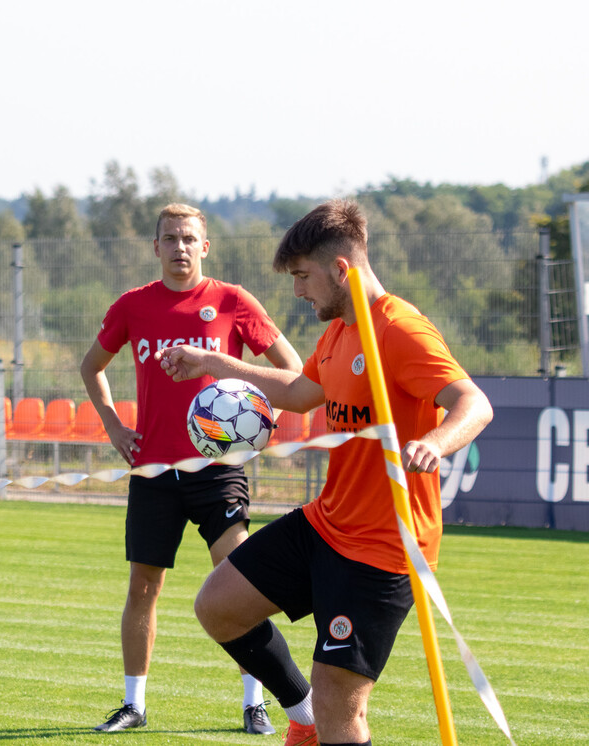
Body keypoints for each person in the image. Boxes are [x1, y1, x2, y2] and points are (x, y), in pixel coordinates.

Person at [155, 199, 494, 746]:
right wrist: (212, 361)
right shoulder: (337, 334)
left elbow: (474, 404)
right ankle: (302, 716)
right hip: (326, 525)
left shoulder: (401, 330)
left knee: (341, 702)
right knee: (217, 607)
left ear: (341, 270)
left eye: (302, 276)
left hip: (383, 548)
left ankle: (321, 722)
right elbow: (296, 393)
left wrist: (434, 441)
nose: (297, 291)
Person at [80, 203, 303, 735]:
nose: (180, 247)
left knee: (243, 582)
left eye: (189, 239)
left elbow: (292, 370)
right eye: (170, 239)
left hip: (218, 466)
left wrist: (248, 403)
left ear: (205, 247)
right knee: (143, 587)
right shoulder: (133, 306)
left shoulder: (231, 302)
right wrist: (113, 426)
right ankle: (134, 704)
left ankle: (257, 703)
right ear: (155, 248)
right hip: (153, 469)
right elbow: (91, 366)